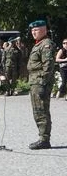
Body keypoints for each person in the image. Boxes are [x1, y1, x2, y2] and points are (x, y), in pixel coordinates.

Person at [27, 20, 56, 150]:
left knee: (41, 111)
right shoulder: (38, 44)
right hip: (35, 82)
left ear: (44, 30)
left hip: (40, 83)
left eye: (36, 30)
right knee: (37, 111)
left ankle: (44, 139)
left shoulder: (46, 45)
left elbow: (48, 66)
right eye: (32, 30)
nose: (34, 32)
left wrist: (43, 83)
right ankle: (42, 137)